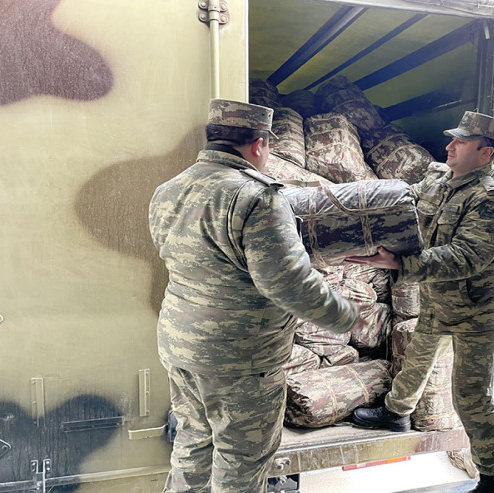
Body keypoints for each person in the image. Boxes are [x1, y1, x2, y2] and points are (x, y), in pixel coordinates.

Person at [149, 99, 364, 493]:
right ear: (258, 145)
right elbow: (288, 282)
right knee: (242, 461)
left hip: (180, 345)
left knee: (193, 443)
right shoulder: (256, 198)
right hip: (239, 358)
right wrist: (348, 316)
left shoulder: (168, 190)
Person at [347, 111, 494, 493]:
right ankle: (396, 413)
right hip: (438, 299)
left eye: (460, 142)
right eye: (452, 139)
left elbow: (465, 257)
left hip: (476, 311)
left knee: (470, 395)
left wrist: (400, 262)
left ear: (485, 153)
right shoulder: (442, 179)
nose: (449, 146)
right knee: (418, 357)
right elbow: (408, 210)